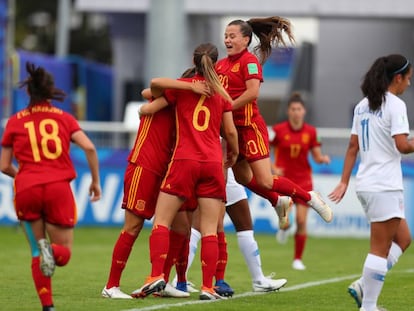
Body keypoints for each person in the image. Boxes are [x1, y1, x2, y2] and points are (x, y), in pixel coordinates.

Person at [130, 42, 239, 301]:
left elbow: (149, 104)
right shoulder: (222, 94)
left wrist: (144, 108)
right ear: (216, 62)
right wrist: (232, 152)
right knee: (210, 229)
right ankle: (208, 288)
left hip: (183, 161)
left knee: (162, 222)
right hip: (212, 163)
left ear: (194, 59)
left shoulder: (181, 88)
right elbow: (231, 132)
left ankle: (156, 274)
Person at [214, 17, 333, 236]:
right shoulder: (220, 65)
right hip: (231, 131)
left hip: (250, 128)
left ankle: (309, 197)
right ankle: (278, 201)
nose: (227, 40)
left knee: (265, 181)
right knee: (241, 177)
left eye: (232, 36)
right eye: (225, 36)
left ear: (246, 39)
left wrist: (226, 107)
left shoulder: (249, 61)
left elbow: (252, 93)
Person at [0, 62, 102, 311]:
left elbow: (4, 165)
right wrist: (95, 182)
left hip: (26, 189)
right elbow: (89, 147)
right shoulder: (64, 118)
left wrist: (22, 177)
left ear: (28, 92)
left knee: (37, 252)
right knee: (63, 252)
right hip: (57, 187)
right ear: (50, 92)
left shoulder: (14, 121)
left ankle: (48, 306)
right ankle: (51, 250)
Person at [101, 81, 208, 299]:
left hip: (166, 171)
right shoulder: (169, 96)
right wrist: (188, 87)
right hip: (144, 166)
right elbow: (151, 87)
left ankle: (162, 280)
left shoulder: (184, 108)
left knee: (181, 227)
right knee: (133, 226)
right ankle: (111, 286)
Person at [329, 54, 413, 311]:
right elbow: (402, 145)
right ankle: (369, 305)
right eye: (408, 79)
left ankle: (364, 286)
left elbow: (353, 146)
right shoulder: (395, 105)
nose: (409, 84)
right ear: (397, 78)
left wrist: (344, 181)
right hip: (384, 185)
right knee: (379, 248)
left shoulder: (363, 105)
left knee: (404, 239)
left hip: (367, 183)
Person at [173, 168, 288, 294]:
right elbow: (237, 155)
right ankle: (257, 280)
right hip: (224, 172)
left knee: (200, 225)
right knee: (240, 225)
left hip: (207, 168)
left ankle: (180, 279)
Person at [270, 92, 330, 270]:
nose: (296, 112)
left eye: (299, 109)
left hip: (303, 181)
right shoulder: (279, 130)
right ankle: (284, 229)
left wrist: (322, 159)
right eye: (293, 109)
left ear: (304, 112)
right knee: (286, 221)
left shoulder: (311, 132)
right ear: (288, 111)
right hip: (283, 181)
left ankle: (297, 259)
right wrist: (273, 167)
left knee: (302, 221)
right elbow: (265, 149)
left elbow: (317, 156)